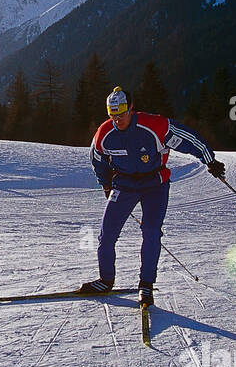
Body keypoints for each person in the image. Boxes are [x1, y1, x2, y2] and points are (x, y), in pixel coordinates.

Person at [81, 86, 225, 306]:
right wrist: (106, 184)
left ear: (131, 108)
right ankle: (105, 280)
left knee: (151, 232)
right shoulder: (104, 134)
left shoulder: (154, 126)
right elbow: (97, 160)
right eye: (112, 116)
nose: (117, 121)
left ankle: (146, 285)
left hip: (154, 185)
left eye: (121, 115)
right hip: (124, 185)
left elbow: (188, 139)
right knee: (107, 234)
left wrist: (209, 160)